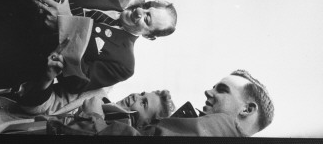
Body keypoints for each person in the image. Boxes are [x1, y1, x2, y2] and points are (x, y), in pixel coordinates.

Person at [0, 46, 175, 134]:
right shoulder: (96, 94)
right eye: (143, 94)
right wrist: (46, 78)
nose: (136, 97)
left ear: (145, 126)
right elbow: (42, 106)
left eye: (143, 104)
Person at [53, 69, 274, 137]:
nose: (208, 91)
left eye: (222, 90)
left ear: (247, 109)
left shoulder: (218, 129)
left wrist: (95, 118)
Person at [34, 0, 177, 93]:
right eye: (146, 6)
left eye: (147, 19)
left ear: (148, 36)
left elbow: (76, 82)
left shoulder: (124, 64)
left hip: (25, 51)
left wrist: (64, 23)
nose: (139, 10)